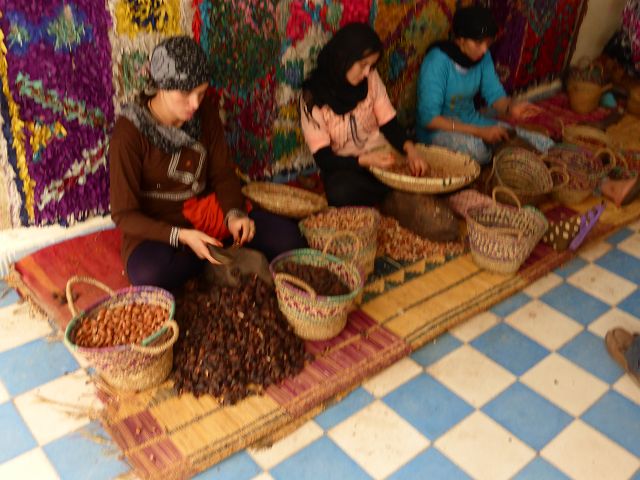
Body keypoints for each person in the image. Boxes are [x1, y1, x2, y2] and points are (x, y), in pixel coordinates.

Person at [109, 36, 305, 291]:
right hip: (161, 230)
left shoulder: (205, 112)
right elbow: (124, 215)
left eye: (201, 93)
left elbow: (222, 173)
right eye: (185, 93)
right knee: (150, 274)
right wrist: (182, 236)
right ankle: (213, 258)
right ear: (161, 86)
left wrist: (235, 215)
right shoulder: (128, 134)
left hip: (207, 214)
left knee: (289, 239)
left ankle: (211, 256)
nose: (194, 104)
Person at [300, 22, 429, 207]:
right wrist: (365, 160)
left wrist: (411, 150)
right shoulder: (312, 97)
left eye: (372, 65)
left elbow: (389, 124)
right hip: (350, 166)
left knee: (418, 165)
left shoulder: (371, 78)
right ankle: (396, 192)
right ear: (343, 58)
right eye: (363, 65)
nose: (367, 72)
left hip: (383, 158)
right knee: (340, 191)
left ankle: (396, 191)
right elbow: (324, 159)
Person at [416, 6, 553, 165]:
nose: (484, 50)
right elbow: (429, 119)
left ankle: (508, 158)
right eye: (478, 43)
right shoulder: (437, 61)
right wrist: (479, 132)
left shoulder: (483, 57)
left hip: (471, 120)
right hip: (438, 130)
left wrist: (511, 107)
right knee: (479, 151)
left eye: (488, 43)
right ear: (460, 39)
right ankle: (504, 159)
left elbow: (495, 95)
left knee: (543, 143)